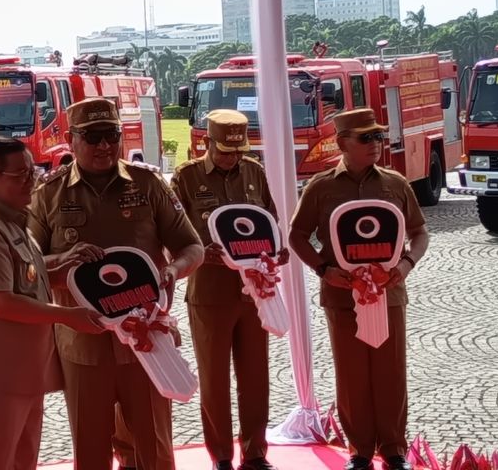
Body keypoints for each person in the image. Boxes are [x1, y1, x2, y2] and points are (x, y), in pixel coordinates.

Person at [28, 99, 203, 470]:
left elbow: (192, 246)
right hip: (83, 344)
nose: (104, 145)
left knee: (155, 448)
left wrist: (173, 271)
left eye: (111, 135)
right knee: (91, 449)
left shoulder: (148, 184)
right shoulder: (48, 193)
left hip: (147, 338)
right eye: (93, 137)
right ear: (71, 139)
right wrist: (62, 260)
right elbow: (26, 266)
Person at [0, 137, 106, 470]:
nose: (32, 180)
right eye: (21, 174)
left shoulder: (13, 219)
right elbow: (0, 302)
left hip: (20, 371)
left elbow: (27, 279)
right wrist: (68, 316)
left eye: (32, 171)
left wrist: (66, 269)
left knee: (21, 462)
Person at [288, 109, 429, 470]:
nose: (375, 143)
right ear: (341, 143)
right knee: (351, 376)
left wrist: (405, 265)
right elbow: (297, 235)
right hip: (342, 296)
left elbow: (419, 231)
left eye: (378, 136)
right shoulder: (321, 187)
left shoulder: (396, 183)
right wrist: (323, 269)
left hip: (389, 294)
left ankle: (394, 449)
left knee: (390, 372)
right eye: (365, 137)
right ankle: (360, 451)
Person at [171, 110, 287, 470]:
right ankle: (221, 455)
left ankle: (255, 452)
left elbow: (269, 219)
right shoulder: (187, 177)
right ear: (207, 142)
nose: (233, 157)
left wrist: (277, 249)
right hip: (210, 291)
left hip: (254, 292)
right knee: (214, 378)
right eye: (225, 151)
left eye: (239, 150)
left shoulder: (253, 171)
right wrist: (197, 253)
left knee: (256, 377)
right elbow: (173, 232)